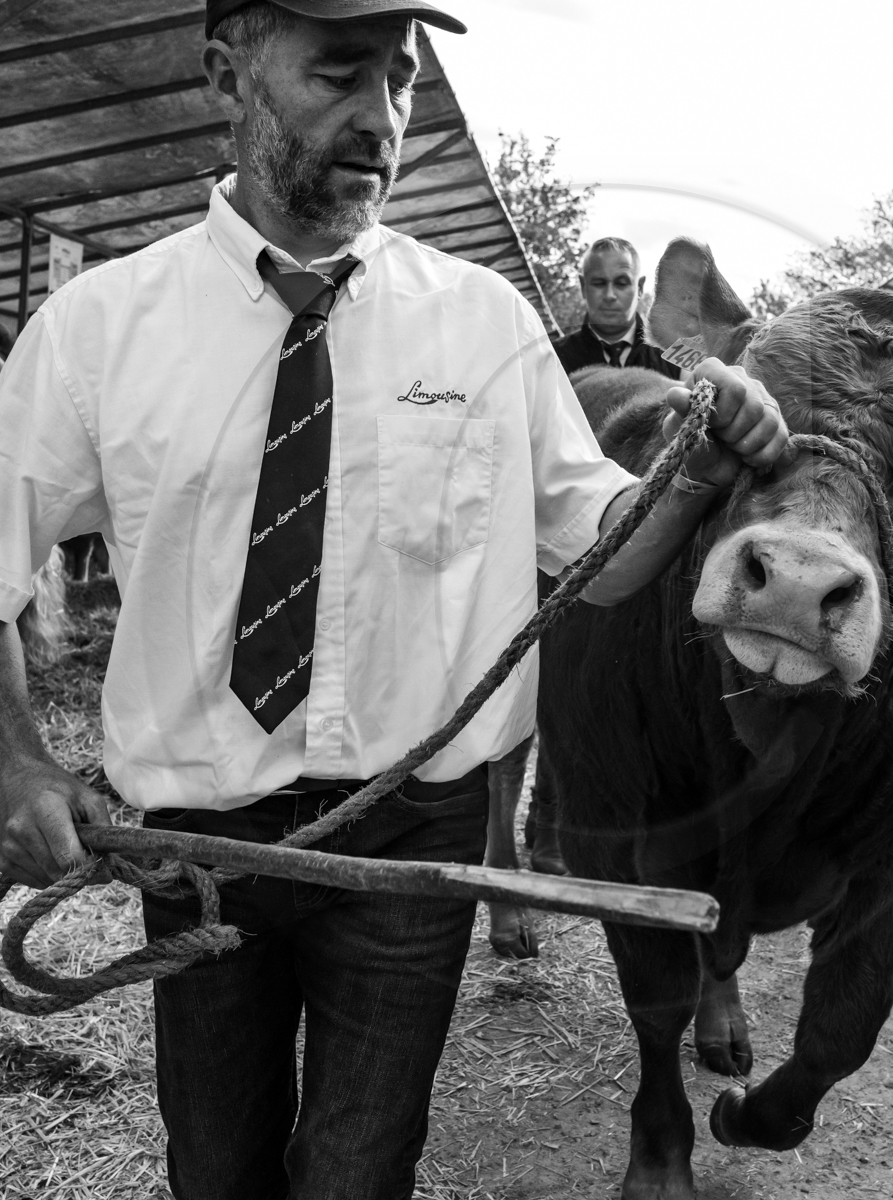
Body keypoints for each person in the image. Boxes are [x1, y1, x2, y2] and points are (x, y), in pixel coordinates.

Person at [0, 4, 788, 1198]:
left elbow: (604, 555)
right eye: (339, 72)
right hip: (194, 845)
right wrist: (14, 766)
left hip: (416, 837)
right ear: (228, 73)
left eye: (403, 78)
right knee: (215, 1169)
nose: (382, 118)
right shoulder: (98, 329)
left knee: (361, 1169)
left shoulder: (484, 326)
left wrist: (707, 471)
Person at [552, 237, 682, 378]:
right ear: (583, 286)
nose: (609, 295)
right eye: (599, 283)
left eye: (621, 283)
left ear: (639, 287)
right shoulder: (552, 358)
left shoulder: (677, 359)